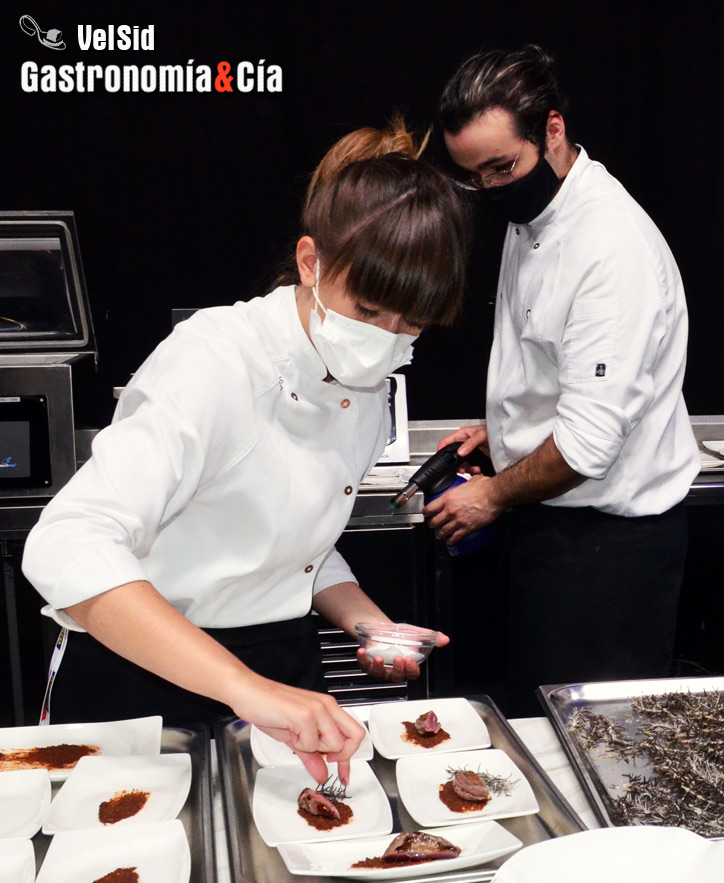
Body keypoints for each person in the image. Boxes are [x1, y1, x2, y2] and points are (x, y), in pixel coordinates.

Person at [22, 119, 468, 781]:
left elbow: (288, 540)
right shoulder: (214, 363)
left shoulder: (367, 392)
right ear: (312, 262)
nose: (387, 340)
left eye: (412, 324)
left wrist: (368, 622)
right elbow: (66, 544)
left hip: (281, 665)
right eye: (370, 310)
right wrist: (243, 687)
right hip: (140, 672)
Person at [427, 45, 700, 715]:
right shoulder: (537, 214)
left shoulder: (609, 247)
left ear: (552, 129)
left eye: (501, 168)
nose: (491, 189)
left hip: (609, 557)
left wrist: (491, 495)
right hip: (554, 533)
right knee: (539, 736)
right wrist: (509, 432)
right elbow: (562, 371)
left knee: (594, 753)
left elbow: (585, 447)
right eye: (474, 176)